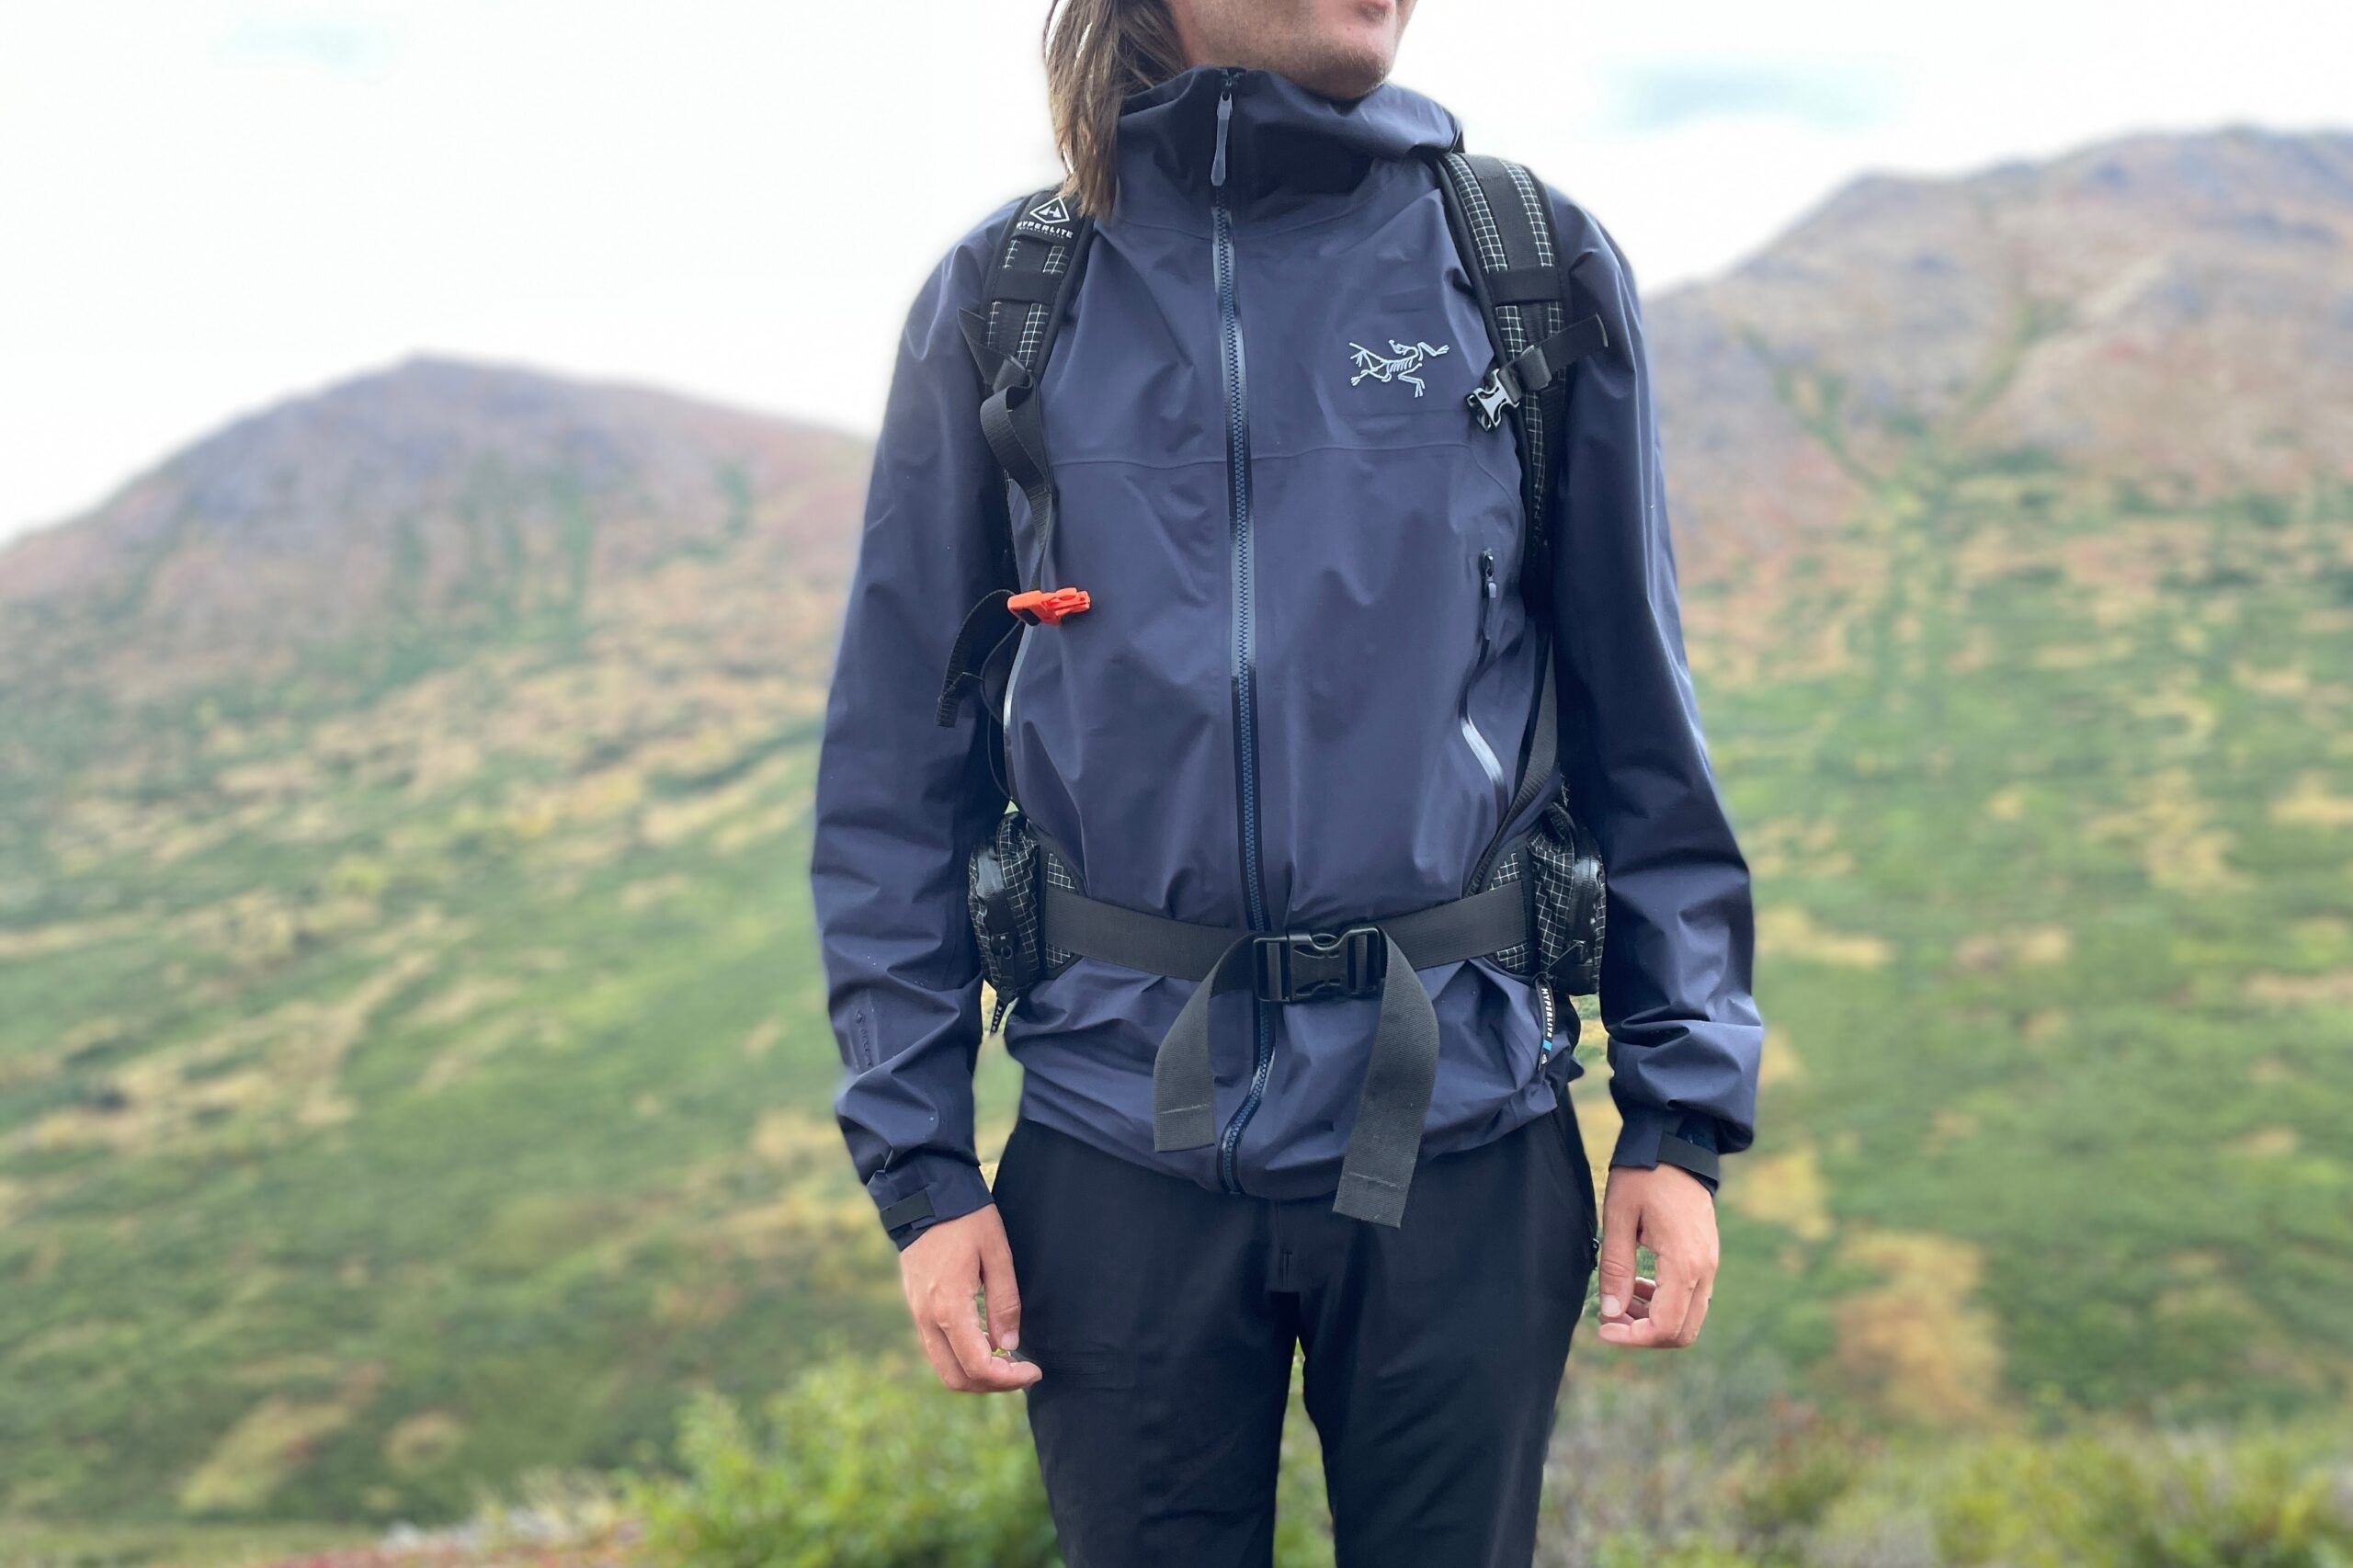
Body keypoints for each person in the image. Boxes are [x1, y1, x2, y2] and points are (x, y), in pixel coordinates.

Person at [810, 1, 1764, 1562]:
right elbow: (892, 776)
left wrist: (1677, 1118)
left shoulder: (1524, 262)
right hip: (1115, 1146)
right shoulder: (1010, 297)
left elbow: (1640, 727)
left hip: (1463, 1132)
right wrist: (920, 1170)